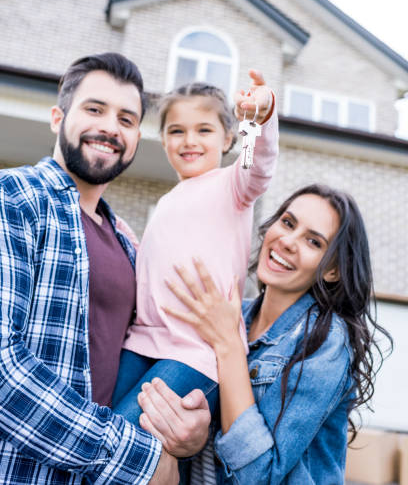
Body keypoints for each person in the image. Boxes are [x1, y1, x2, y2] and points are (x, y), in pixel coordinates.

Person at [0, 52, 210, 485]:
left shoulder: (130, 247)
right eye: (95, 109)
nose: (111, 127)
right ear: (58, 117)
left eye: (127, 119)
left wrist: (187, 432)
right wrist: (134, 458)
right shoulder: (15, 199)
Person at [138, 184, 392, 484]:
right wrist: (193, 441)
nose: (287, 241)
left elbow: (261, 475)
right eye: (287, 223)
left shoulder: (324, 342)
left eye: (313, 241)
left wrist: (229, 344)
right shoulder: (235, 315)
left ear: (332, 271)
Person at [111, 72, 279, 428]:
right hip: (142, 341)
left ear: (228, 137)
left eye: (204, 130)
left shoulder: (232, 185)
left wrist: (257, 120)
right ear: (164, 140)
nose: (189, 140)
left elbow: (257, 165)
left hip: (193, 352)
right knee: (105, 423)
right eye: (176, 131)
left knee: (124, 437)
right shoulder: (167, 201)